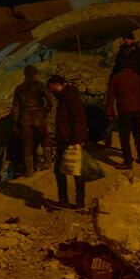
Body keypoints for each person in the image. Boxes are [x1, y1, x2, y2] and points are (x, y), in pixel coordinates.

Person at [47, 75, 88, 209]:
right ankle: (68, 200)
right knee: (63, 171)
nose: (50, 90)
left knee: (74, 171)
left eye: (50, 87)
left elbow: (79, 119)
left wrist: (78, 140)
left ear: (55, 84)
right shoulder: (65, 98)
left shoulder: (70, 98)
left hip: (71, 141)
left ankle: (76, 201)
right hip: (64, 140)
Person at [105, 66, 140, 168]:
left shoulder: (115, 79)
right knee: (137, 133)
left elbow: (110, 98)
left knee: (124, 137)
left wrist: (109, 113)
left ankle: (128, 162)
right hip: (139, 110)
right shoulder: (138, 78)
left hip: (124, 111)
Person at [11, 65, 51, 176]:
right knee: (44, 139)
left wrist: (15, 122)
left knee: (27, 144)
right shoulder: (39, 85)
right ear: (34, 75)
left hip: (25, 118)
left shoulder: (19, 89)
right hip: (38, 115)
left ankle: (30, 171)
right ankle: (47, 163)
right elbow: (49, 97)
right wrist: (47, 109)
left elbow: (15, 108)